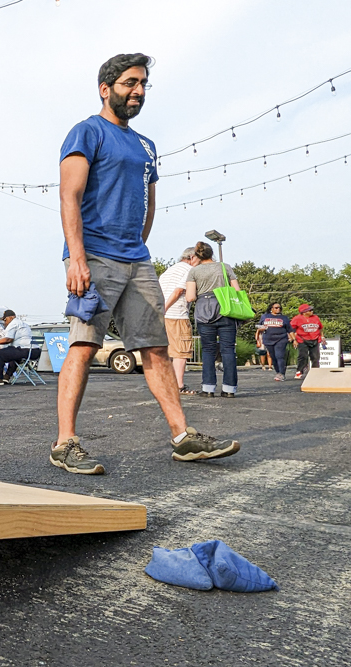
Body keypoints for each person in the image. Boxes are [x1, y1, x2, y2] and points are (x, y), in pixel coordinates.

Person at [54, 53, 239, 475]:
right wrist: (77, 258)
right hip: (94, 256)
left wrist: (138, 249)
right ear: (106, 89)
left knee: (155, 348)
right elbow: (70, 196)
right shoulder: (87, 131)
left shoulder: (146, 145)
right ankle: (65, 443)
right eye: (129, 83)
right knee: (84, 345)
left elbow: (148, 205)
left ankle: (183, 437)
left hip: (135, 259)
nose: (138, 91)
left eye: (142, 84)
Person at [185, 242, 242, 398]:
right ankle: (229, 390)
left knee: (208, 351)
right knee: (228, 350)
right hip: (226, 310)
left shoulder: (194, 272)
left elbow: (190, 296)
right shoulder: (225, 267)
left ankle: (208, 388)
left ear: (197, 256)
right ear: (211, 254)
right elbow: (237, 291)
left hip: (204, 311)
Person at [159, 247, 200, 394]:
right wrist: (166, 307)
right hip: (177, 315)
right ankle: (179, 385)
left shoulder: (169, 271)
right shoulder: (189, 270)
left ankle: (168, 384)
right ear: (191, 257)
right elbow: (178, 291)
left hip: (162, 316)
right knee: (181, 351)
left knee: (168, 351)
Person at [0, 310, 37, 385]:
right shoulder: (24, 324)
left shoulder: (13, 323)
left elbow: (8, 339)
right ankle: (7, 377)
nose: (5, 322)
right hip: (34, 351)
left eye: (5, 320)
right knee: (12, 354)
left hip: (26, 350)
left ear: (11, 317)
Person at [257, 302, 296, 381]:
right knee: (273, 357)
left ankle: (282, 373)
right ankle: (278, 372)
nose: (278, 309)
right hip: (268, 339)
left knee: (279, 356)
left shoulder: (284, 318)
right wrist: (259, 335)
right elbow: (258, 326)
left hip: (281, 339)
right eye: (276, 308)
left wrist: (294, 340)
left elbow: (290, 330)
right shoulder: (264, 316)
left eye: (279, 308)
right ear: (271, 309)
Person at [291, 304, 324, 380]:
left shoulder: (315, 318)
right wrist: (294, 340)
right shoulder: (297, 319)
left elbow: (320, 328)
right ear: (304, 312)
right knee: (303, 356)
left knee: (315, 357)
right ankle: (299, 371)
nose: (312, 311)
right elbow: (291, 330)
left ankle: (315, 371)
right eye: (309, 310)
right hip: (302, 339)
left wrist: (322, 336)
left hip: (315, 339)